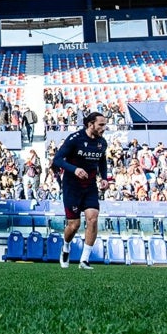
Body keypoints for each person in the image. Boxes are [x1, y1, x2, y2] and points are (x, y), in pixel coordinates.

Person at [52, 111, 109, 270]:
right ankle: (66, 247)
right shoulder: (75, 139)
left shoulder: (102, 143)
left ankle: (84, 260)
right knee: (74, 225)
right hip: (72, 186)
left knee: (93, 218)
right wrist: (75, 169)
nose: (104, 128)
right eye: (101, 125)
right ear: (90, 124)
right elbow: (57, 160)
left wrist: (104, 177)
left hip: (90, 186)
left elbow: (102, 161)